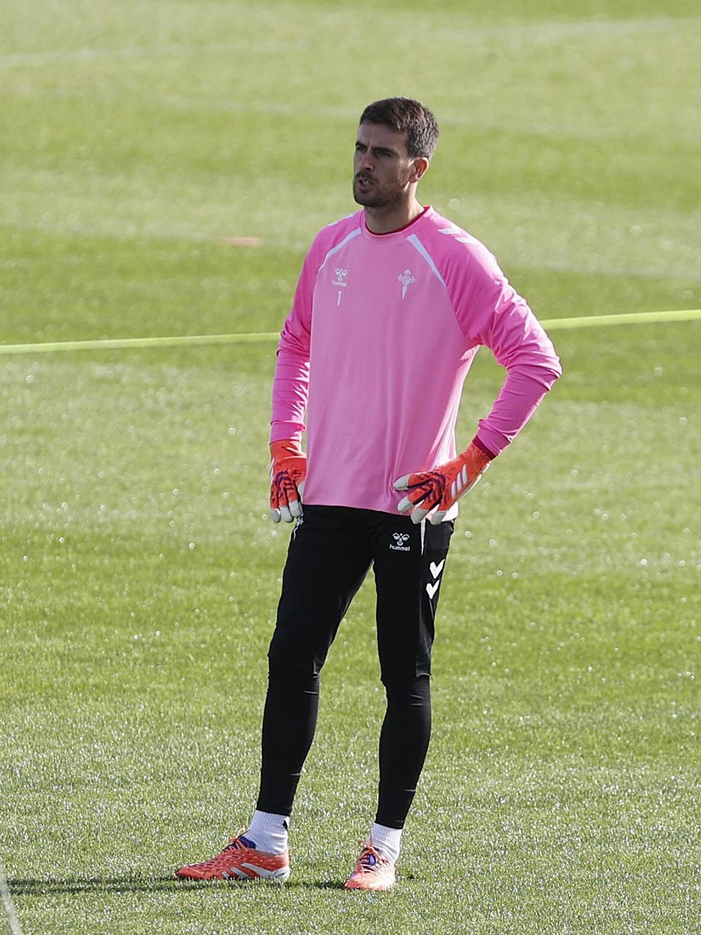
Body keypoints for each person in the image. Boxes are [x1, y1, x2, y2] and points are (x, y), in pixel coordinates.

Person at [176, 97, 562, 891]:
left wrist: (468, 464)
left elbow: (535, 361)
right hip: (330, 499)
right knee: (292, 660)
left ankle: (383, 846)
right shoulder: (331, 247)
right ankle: (265, 840)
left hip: (410, 510)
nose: (363, 164)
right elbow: (296, 344)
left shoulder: (456, 259)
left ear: (417, 168)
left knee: (403, 677)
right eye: (359, 148)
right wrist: (287, 444)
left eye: (381, 154)